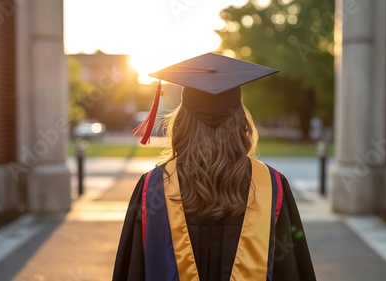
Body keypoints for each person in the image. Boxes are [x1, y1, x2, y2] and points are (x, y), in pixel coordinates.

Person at [112, 53, 316, 281]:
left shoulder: (153, 188)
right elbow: (289, 271)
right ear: (240, 120)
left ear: (181, 122)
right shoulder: (270, 186)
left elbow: (133, 271)